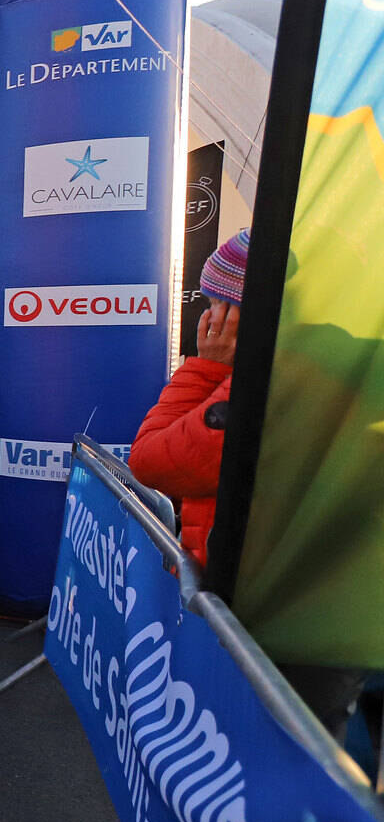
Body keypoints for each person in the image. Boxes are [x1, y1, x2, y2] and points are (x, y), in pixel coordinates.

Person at [129, 230, 247, 570]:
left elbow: (151, 462)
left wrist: (206, 369)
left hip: (229, 591)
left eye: (214, 306)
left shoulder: (266, 378)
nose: (208, 319)